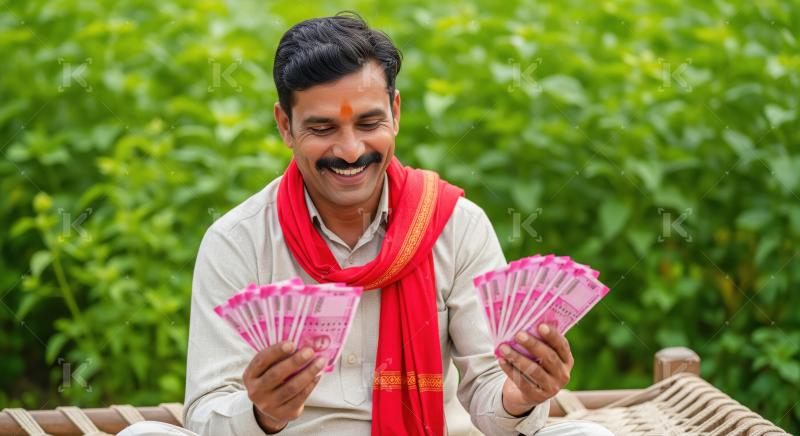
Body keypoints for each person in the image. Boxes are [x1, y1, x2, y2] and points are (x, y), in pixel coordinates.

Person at [121, 12, 614, 436]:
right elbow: (205, 411)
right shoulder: (237, 240)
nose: (351, 151)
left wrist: (520, 393)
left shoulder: (455, 225)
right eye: (322, 128)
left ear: (395, 114)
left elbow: (490, 399)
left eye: (368, 123)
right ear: (284, 126)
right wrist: (262, 414)